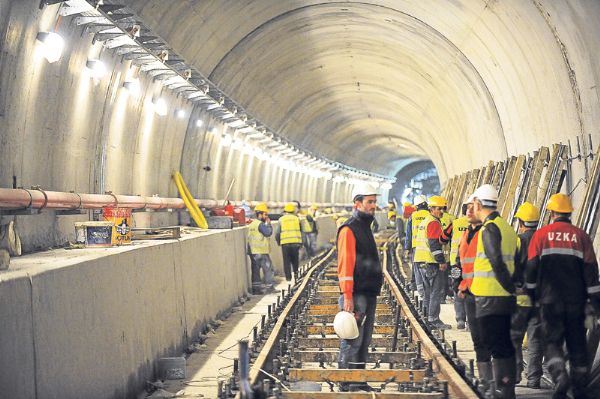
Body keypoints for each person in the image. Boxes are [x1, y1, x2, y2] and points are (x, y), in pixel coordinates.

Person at [526, 193, 600, 399]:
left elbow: (531, 271)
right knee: (577, 345)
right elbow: (592, 274)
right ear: (569, 213)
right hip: (576, 303)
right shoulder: (581, 236)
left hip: (549, 302)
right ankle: (579, 388)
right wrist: (595, 304)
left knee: (552, 343)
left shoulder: (540, 236)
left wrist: (532, 298)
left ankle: (559, 376)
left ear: (551, 213)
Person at [470, 184, 518, 399]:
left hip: (490, 297)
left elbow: (496, 261)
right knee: (503, 343)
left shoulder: (488, 229)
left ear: (478, 204)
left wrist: (508, 287)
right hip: (502, 297)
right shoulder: (507, 227)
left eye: (473, 205)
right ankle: (506, 389)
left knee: (494, 344)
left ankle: (502, 390)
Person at [337, 183, 383, 392]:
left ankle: (358, 379)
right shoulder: (349, 229)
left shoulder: (364, 226)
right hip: (356, 295)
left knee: (364, 340)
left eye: (375, 201)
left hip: (368, 293)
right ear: (358, 203)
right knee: (352, 340)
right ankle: (345, 381)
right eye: (370, 201)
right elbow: (345, 265)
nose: (374, 205)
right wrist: (347, 296)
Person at [454, 195, 492, 392]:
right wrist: (459, 284)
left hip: (486, 292)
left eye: (472, 207)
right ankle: (487, 382)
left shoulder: (488, 232)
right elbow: (461, 262)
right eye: (467, 208)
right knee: (478, 339)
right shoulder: (465, 232)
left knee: (489, 339)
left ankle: (499, 383)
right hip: (469, 292)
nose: (468, 211)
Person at [509, 202, 542, 387]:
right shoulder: (544, 240)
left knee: (514, 336)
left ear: (521, 222)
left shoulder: (518, 240)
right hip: (539, 297)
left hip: (520, 297)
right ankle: (534, 379)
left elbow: (511, 268)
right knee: (536, 338)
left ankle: (515, 375)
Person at [413, 195, 451, 330]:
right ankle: (434, 319)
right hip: (431, 262)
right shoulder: (433, 222)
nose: (441, 211)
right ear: (431, 209)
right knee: (436, 291)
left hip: (421, 261)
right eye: (439, 209)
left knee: (428, 292)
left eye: (443, 209)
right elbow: (434, 245)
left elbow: (437, 240)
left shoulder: (426, 221)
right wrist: (441, 261)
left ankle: (428, 319)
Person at [447, 199, 470, 329]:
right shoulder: (477, 225)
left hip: (455, 263)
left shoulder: (455, 223)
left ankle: (460, 320)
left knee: (457, 288)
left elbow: (443, 238)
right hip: (472, 264)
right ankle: (470, 323)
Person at [247, 203, 275, 294]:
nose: (266, 217)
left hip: (253, 252)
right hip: (261, 252)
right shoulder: (261, 224)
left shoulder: (252, 224)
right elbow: (268, 233)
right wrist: (269, 225)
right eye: (265, 214)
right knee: (268, 269)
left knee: (255, 271)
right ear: (260, 214)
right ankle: (269, 288)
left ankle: (256, 289)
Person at [405, 195, 428, 291]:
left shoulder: (412, 216)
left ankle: (420, 290)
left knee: (417, 268)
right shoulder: (430, 215)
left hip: (416, 247)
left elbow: (409, 234)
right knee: (428, 268)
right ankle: (428, 288)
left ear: (416, 206)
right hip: (429, 246)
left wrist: (407, 248)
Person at [275, 202, 303, 281]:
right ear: (293, 211)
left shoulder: (281, 219)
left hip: (285, 243)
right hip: (295, 242)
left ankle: (288, 278)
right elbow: (302, 232)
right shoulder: (297, 219)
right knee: (295, 260)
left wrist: (278, 241)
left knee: (286, 261)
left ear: (285, 211)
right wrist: (302, 243)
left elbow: (277, 232)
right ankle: (296, 275)